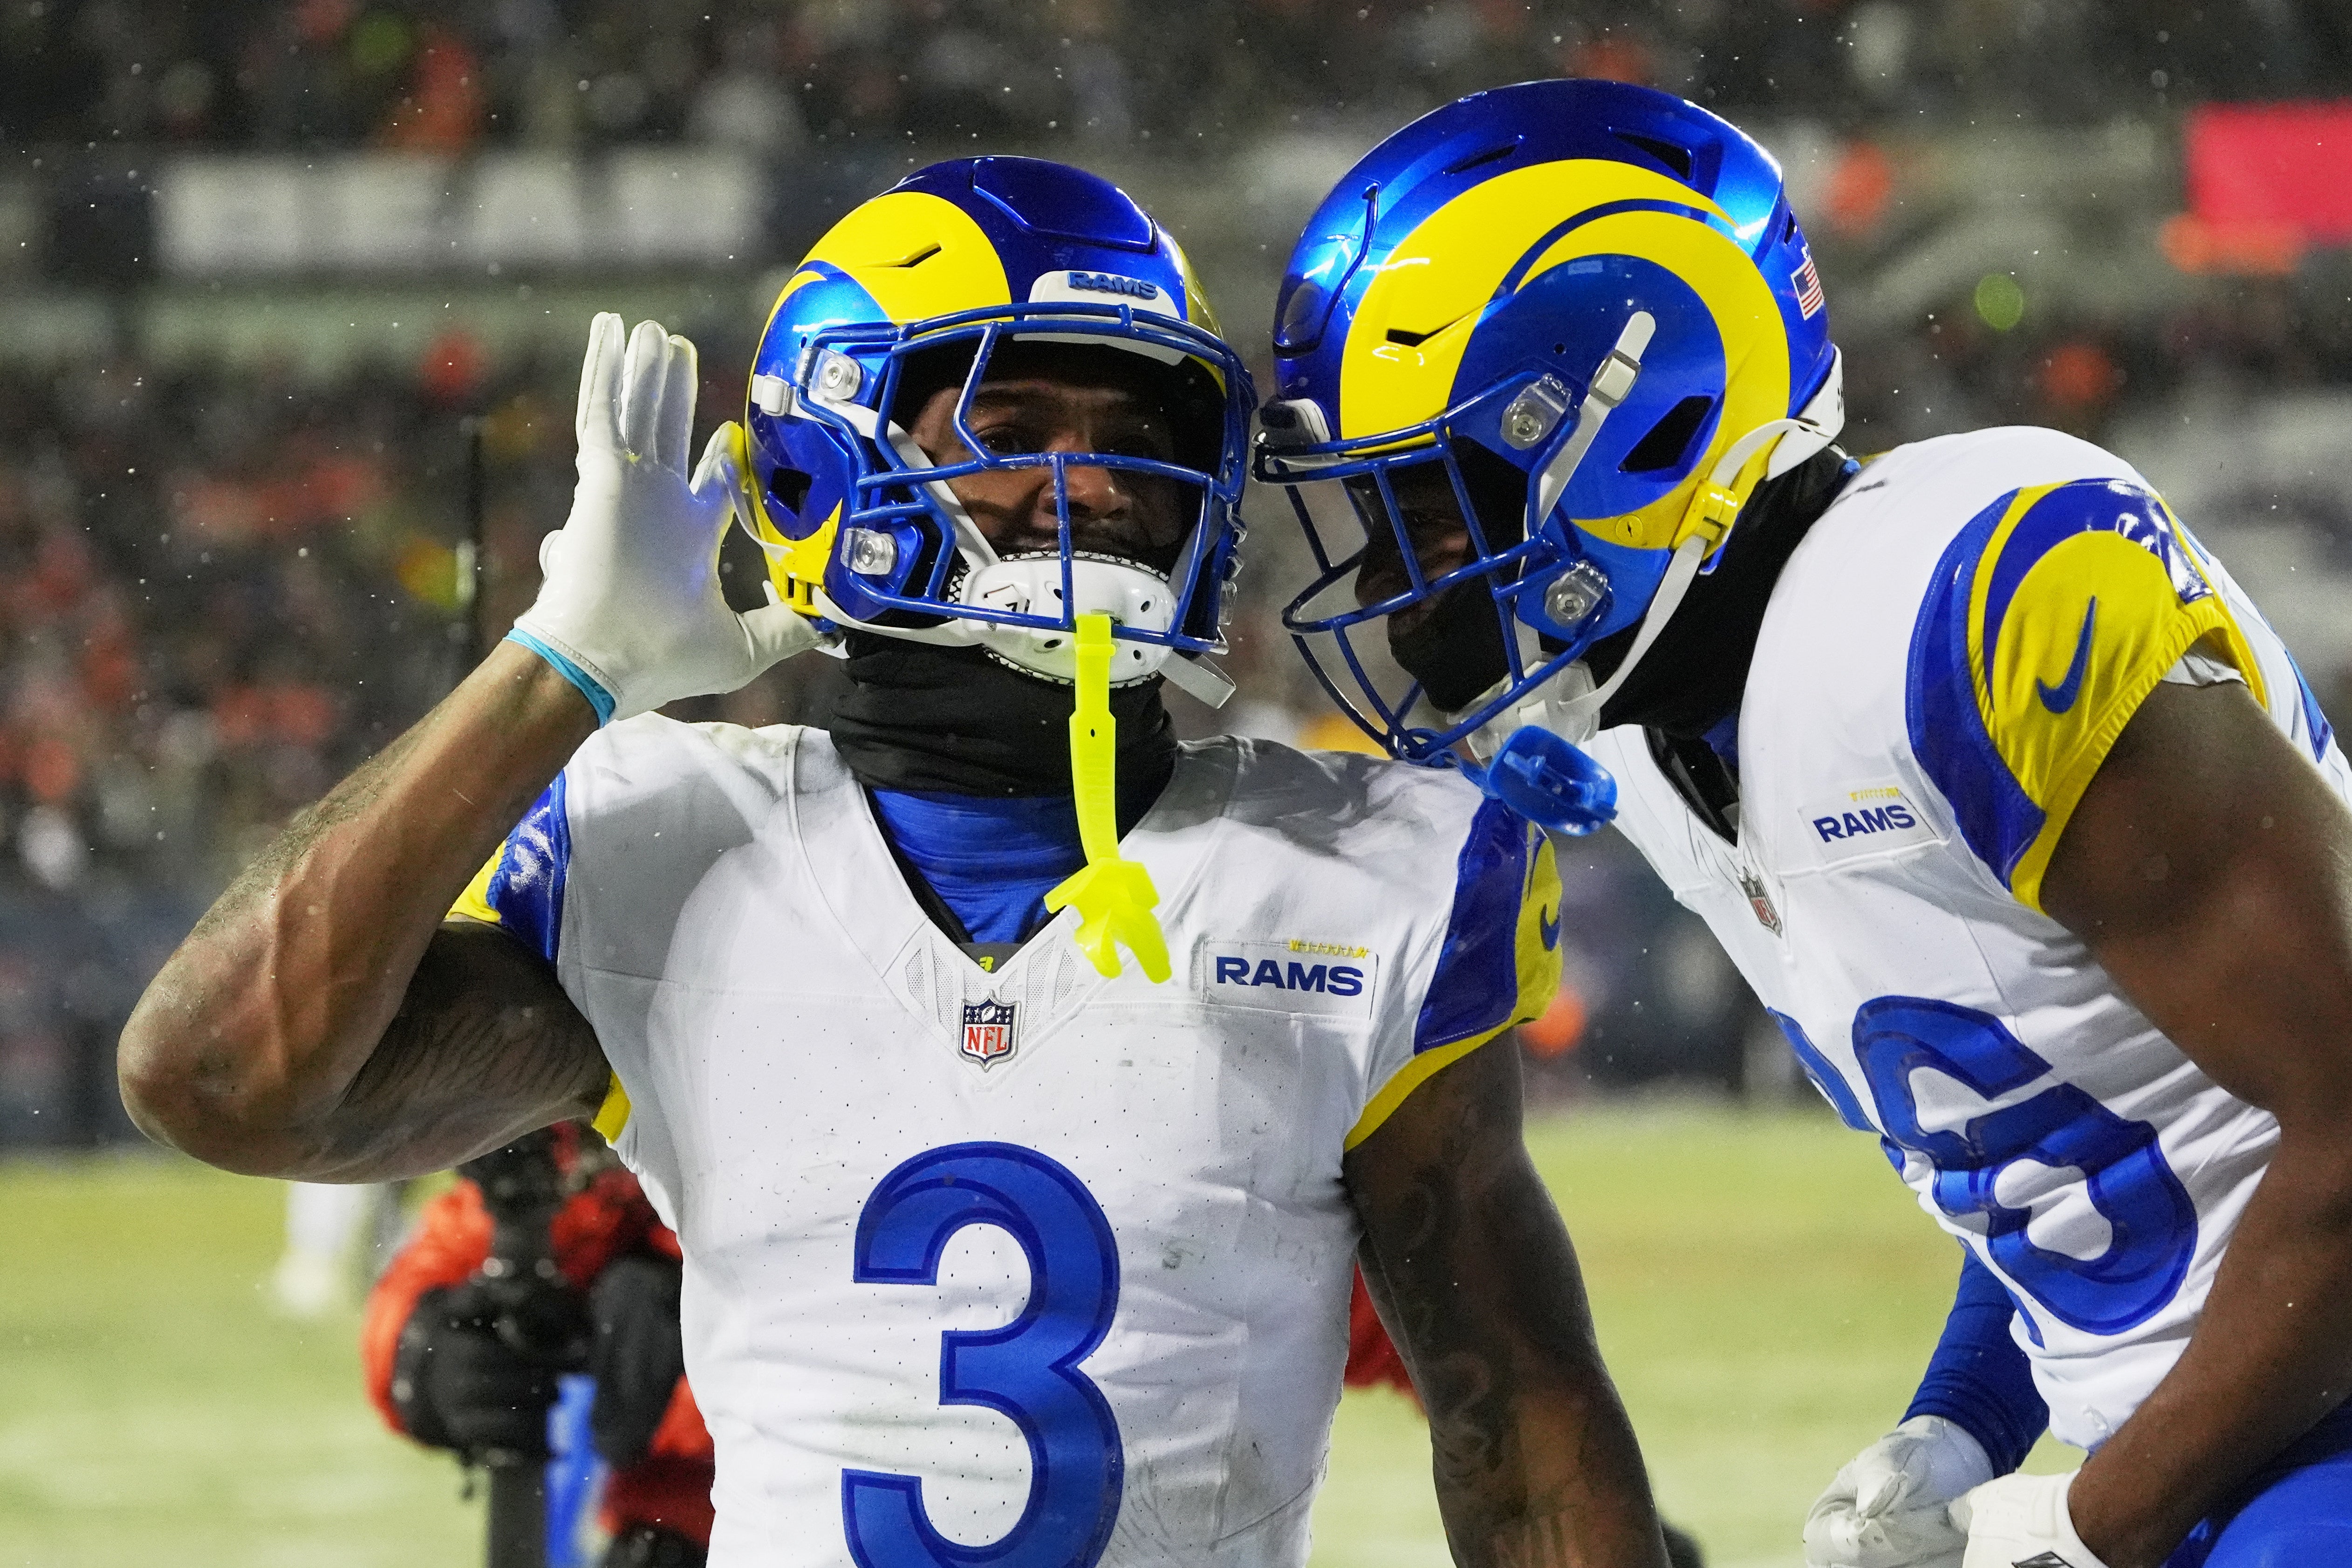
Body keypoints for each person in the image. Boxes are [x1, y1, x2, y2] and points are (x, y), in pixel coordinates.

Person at [118, 157, 1679, 1567]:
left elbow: (1518, 1437)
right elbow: (221, 1078)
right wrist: (556, 665)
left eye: (1140, 434)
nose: (1100, 481)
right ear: (822, 467)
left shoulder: (1359, 870)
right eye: (1013, 429)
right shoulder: (666, 844)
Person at [1252, 79, 2352, 1568]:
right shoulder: (1660, 747)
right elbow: (2066, 1137)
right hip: (2248, 1407)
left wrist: (2103, 1513)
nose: (1403, 577)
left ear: (1637, 424)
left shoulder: (1957, 610)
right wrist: (1961, 1420)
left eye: (1435, 509)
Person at [363, 1123, 715, 1566]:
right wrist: (426, 1357)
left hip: (793, 1488)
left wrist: (688, 1369)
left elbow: (812, 1334)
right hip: (673, 1519)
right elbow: (444, 1257)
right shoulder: (583, 1147)